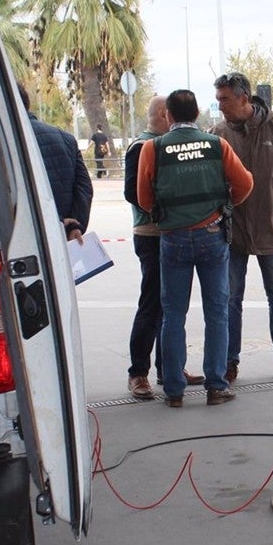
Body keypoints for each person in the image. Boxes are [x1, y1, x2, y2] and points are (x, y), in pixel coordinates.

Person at [137, 89, 254, 407]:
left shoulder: (154, 147)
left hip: (172, 238)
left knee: (173, 314)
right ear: (198, 113)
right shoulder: (217, 145)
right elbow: (245, 184)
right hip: (212, 235)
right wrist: (223, 208)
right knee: (217, 312)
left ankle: (174, 391)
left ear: (169, 116)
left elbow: (144, 197)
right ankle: (216, 386)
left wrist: (167, 214)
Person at [211, 72, 273, 384]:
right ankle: (230, 362)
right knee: (231, 298)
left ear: (243, 98)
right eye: (218, 100)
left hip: (270, 228)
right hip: (233, 231)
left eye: (225, 100)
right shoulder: (218, 133)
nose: (220, 107)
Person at [123, 96, 204, 399]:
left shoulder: (168, 144)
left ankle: (169, 367)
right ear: (163, 114)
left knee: (174, 305)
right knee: (153, 304)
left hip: (174, 232)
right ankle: (138, 372)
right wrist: (169, 203)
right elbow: (133, 192)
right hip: (151, 233)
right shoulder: (142, 147)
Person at [19, 83, 92, 242]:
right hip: (64, 238)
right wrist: (74, 225)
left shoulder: (5, 141)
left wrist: (55, 222)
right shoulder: (65, 138)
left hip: (28, 238)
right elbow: (84, 187)